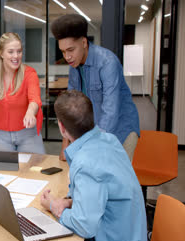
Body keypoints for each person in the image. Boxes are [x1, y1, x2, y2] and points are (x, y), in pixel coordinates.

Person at [40, 90, 150, 241]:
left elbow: (85, 226)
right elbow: (102, 193)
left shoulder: (86, 163)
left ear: (62, 128)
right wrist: (69, 202)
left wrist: (54, 206)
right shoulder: (110, 140)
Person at [51, 14, 140, 161]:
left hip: (120, 129)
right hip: (95, 131)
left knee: (114, 180)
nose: (67, 57)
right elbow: (70, 107)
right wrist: (65, 146)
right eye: (63, 51)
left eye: (71, 50)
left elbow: (110, 113)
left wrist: (91, 147)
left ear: (84, 42)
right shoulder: (74, 66)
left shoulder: (107, 62)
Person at [0, 32, 45, 154]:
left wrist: (30, 112)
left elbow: (34, 99)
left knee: (33, 170)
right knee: (3, 172)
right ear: (1, 53)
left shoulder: (29, 73)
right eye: (11, 51)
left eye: (19, 51)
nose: (16, 56)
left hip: (28, 134)